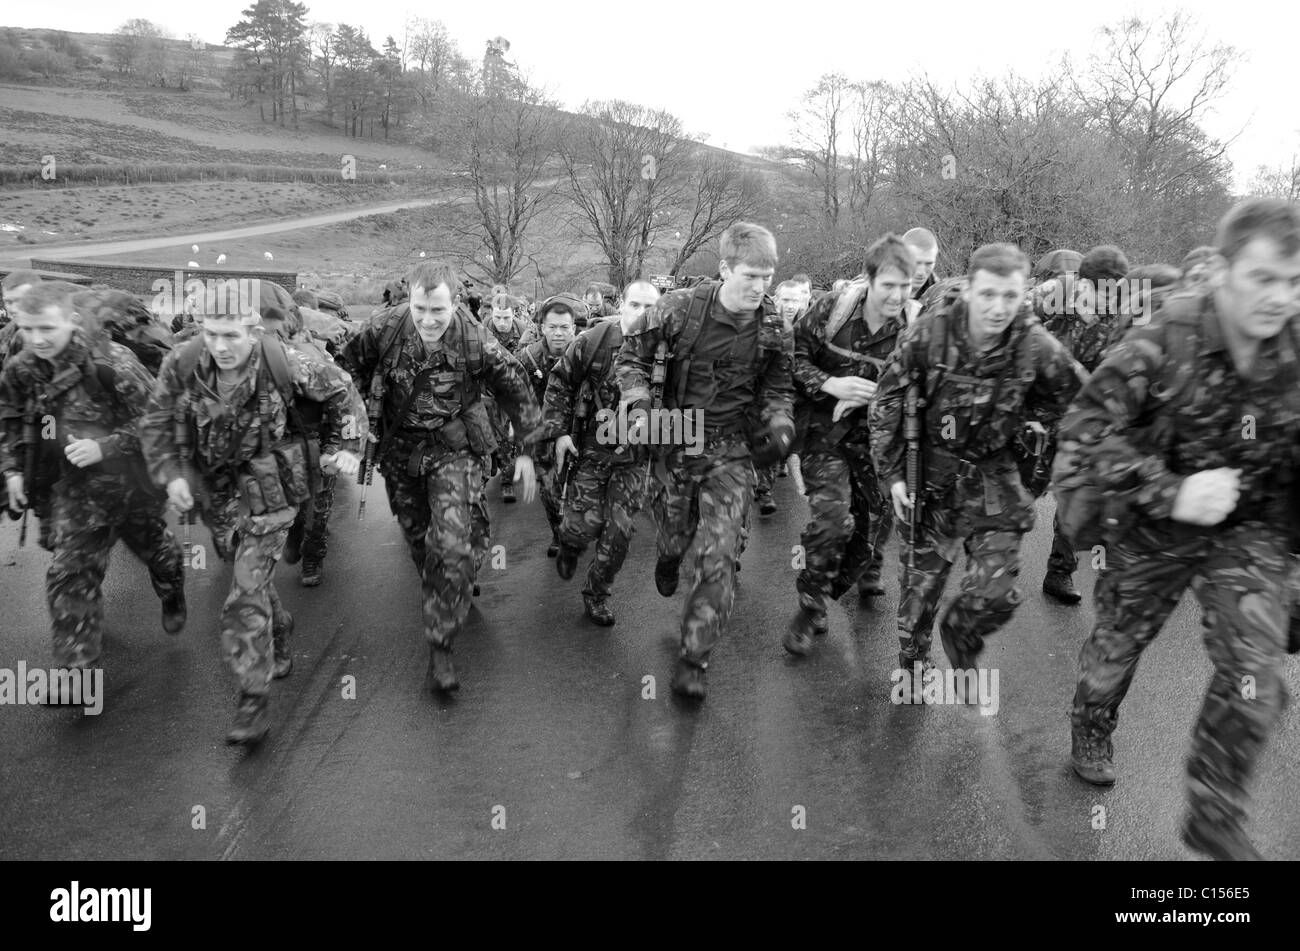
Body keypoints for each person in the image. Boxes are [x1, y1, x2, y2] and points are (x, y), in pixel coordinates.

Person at [1060, 198, 1300, 861]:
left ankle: (1212, 812)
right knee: (1115, 649)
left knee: (1258, 677)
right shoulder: (1166, 337)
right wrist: (1171, 490)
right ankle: (1092, 725)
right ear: (1223, 272)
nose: (1280, 297)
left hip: (1244, 530)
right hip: (1148, 528)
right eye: (1264, 278)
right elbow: (1082, 431)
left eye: (1294, 280)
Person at [139, 281, 363, 744]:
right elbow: (157, 420)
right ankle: (280, 627)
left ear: (253, 329)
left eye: (232, 336)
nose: (220, 347)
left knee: (243, 592)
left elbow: (343, 393)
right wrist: (171, 474)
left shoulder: (286, 360)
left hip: (270, 490)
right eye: (212, 334)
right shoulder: (182, 363)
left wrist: (348, 447)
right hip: (216, 492)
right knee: (252, 578)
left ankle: (252, 700)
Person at [869, 243, 1082, 681]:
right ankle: (914, 663)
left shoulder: (1034, 343)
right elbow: (886, 400)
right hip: (929, 474)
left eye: (1011, 296)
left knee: (996, 593)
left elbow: (1082, 399)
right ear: (969, 290)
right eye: (988, 295)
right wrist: (890, 474)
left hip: (993, 478)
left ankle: (962, 631)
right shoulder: (930, 334)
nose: (999, 307)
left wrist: (1036, 431)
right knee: (920, 589)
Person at [339, 261, 542, 695]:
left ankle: (441, 645)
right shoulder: (384, 329)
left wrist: (526, 452)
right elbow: (342, 374)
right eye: (420, 309)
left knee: (450, 545)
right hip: (399, 452)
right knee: (420, 545)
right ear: (408, 300)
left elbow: (517, 389)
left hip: (454, 450)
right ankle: (450, 585)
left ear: (454, 304)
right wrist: (355, 423)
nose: (428, 321)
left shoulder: (475, 340)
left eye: (438, 311)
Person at [615, 223, 795, 700]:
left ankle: (695, 656)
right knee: (674, 537)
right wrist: (638, 407)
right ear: (724, 269)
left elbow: (778, 388)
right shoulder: (679, 309)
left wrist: (780, 423)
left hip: (732, 450)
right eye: (751, 276)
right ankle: (668, 558)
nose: (760, 287)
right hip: (676, 440)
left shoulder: (775, 327)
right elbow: (630, 358)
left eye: (768, 277)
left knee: (719, 556)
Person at [1, 284, 185, 693]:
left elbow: (159, 422)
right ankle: (76, 672)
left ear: (69, 320)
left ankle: (172, 585)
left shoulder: (112, 363)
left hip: (131, 485)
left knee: (159, 552)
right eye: (28, 329)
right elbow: (10, 421)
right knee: (69, 570)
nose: (37, 339)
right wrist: (12, 469)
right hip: (75, 490)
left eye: (47, 327)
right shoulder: (22, 368)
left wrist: (104, 446)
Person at [786, 236, 915, 654]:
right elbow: (791, 359)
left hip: (876, 444)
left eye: (906, 286)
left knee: (866, 543)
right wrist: (829, 383)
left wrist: (876, 398)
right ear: (870, 280)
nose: (897, 296)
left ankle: (823, 591)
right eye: (888, 286)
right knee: (833, 521)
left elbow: (923, 394)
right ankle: (809, 606)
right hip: (825, 435)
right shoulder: (832, 310)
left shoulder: (915, 330)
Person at [545, 280, 660, 624]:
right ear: (621, 304)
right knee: (580, 527)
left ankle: (596, 591)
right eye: (635, 304)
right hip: (592, 451)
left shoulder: (666, 350)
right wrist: (560, 432)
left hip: (634, 458)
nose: (642, 313)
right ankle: (569, 544)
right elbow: (560, 383)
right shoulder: (591, 342)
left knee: (619, 533)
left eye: (650, 307)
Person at [1040, 245, 1130, 606]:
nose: (1108, 295)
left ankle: (1060, 571)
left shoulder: (1123, 319)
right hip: (1043, 416)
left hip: (1086, 425)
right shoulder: (1055, 303)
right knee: (1017, 491)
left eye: (1115, 287)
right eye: (1101, 287)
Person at [515, 294, 581, 555]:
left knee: (582, 491)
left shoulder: (585, 354)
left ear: (573, 329)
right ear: (542, 328)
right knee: (550, 491)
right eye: (552, 327)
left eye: (565, 328)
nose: (558, 333)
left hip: (578, 432)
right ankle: (558, 532)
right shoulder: (527, 358)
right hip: (542, 435)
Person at [754, 279, 805, 516]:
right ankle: (764, 490)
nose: (791, 305)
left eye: (795, 300)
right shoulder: (768, 324)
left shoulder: (805, 328)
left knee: (779, 441)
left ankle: (769, 477)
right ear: (776, 299)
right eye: (786, 299)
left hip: (793, 393)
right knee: (767, 439)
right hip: (768, 393)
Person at [902, 228, 940, 301]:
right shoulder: (878, 294)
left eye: (928, 264)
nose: (921, 272)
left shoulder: (941, 298)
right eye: (915, 263)